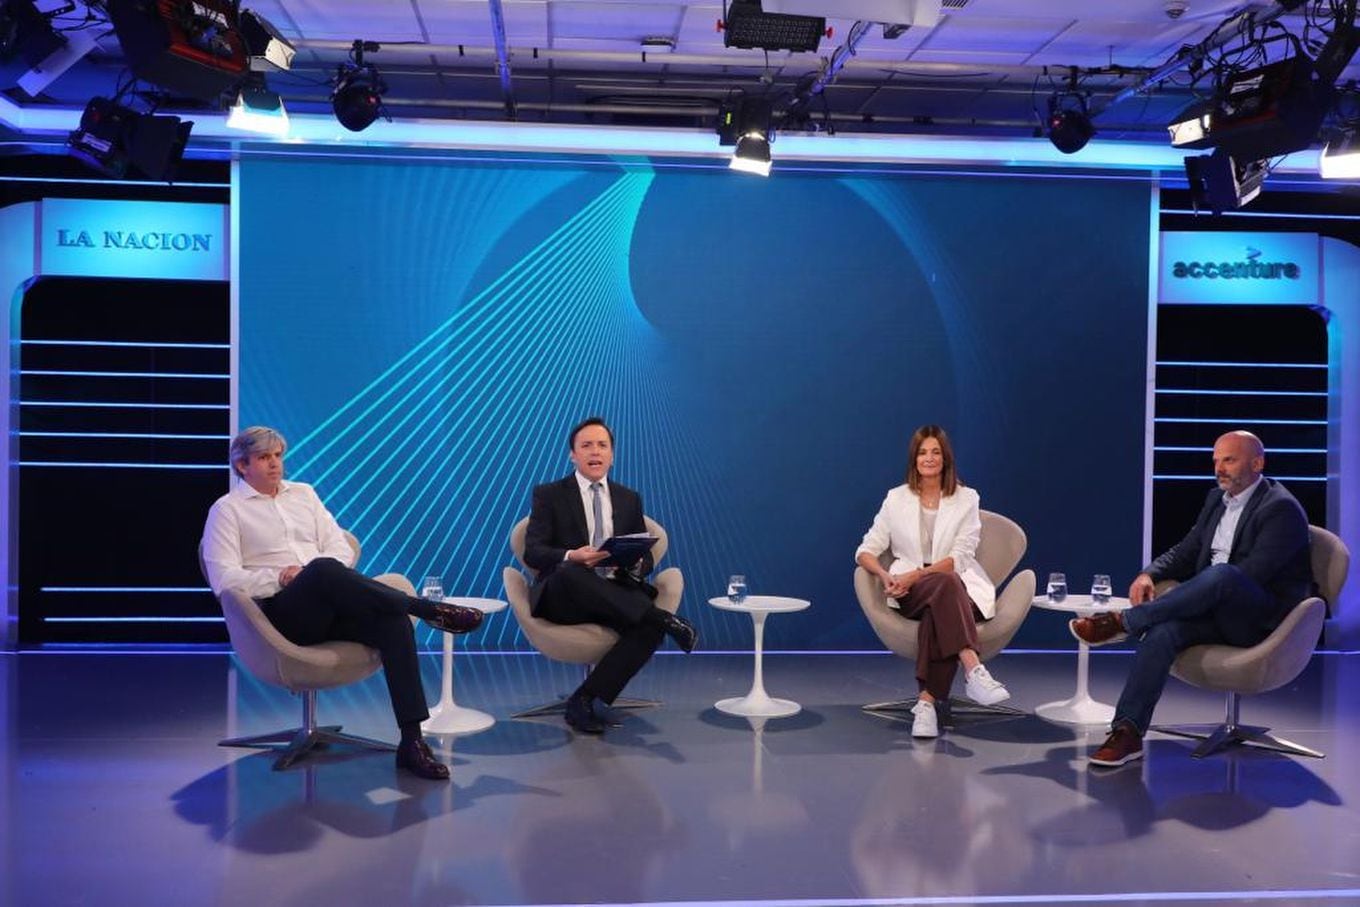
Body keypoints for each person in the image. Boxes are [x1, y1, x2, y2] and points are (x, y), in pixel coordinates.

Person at [202, 426, 485, 781]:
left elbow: (340, 547)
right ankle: (427, 609)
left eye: (278, 456)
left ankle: (412, 742)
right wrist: (283, 578)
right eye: (263, 458)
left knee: (391, 621)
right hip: (281, 616)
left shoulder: (304, 494)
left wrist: (311, 572)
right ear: (242, 465)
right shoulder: (227, 510)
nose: (275, 464)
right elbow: (224, 579)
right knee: (321, 569)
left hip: (328, 602)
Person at [1070, 430, 1312, 767]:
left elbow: (1252, 574)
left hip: (1257, 621)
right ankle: (1128, 731)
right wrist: (1148, 574)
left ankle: (1124, 622)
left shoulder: (1280, 508)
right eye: (1216, 460)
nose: (1219, 468)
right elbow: (1186, 551)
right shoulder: (1216, 500)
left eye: (1229, 460)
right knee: (1162, 633)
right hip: (1213, 609)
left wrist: (1193, 597)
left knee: (1224, 574)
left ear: (1257, 463)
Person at [524, 416, 698, 735]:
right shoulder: (549, 494)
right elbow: (533, 552)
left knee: (648, 629)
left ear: (612, 455)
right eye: (587, 445)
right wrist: (572, 555)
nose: (595, 451)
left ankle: (585, 699)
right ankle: (663, 618)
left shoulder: (629, 498)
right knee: (570, 572)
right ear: (573, 455)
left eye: (602, 445)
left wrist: (634, 565)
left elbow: (644, 554)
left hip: (614, 594)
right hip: (566, 596)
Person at [855, 424, 1010, 739]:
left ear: (945, 458)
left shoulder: (967, 498)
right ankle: (973, 669)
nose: (929, 458)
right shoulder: (896, 498)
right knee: (943, 591)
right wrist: (886, 576)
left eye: (935, 452)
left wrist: (918, 574)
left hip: (958, 585)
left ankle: (925, 705)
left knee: (942, 599)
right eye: (922, 452)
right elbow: (865, 550)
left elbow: (960, 557)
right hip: (910, 589)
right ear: (914, 459)